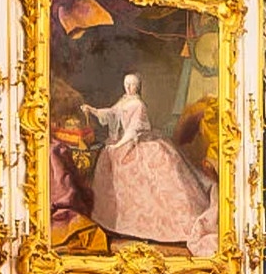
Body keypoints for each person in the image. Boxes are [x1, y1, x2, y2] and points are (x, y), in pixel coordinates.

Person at [80, 73, 218, 257]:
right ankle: (119, 226)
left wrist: (119, 145)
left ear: (138, 87)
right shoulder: (124, 101)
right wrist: (92, 110)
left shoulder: (139, 105)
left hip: (138, 143)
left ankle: (164, 230)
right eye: (127, 84)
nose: (130, 88)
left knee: (156, 177)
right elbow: (112, 113)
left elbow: (133, 130)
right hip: (122, 143)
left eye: (133, 85)